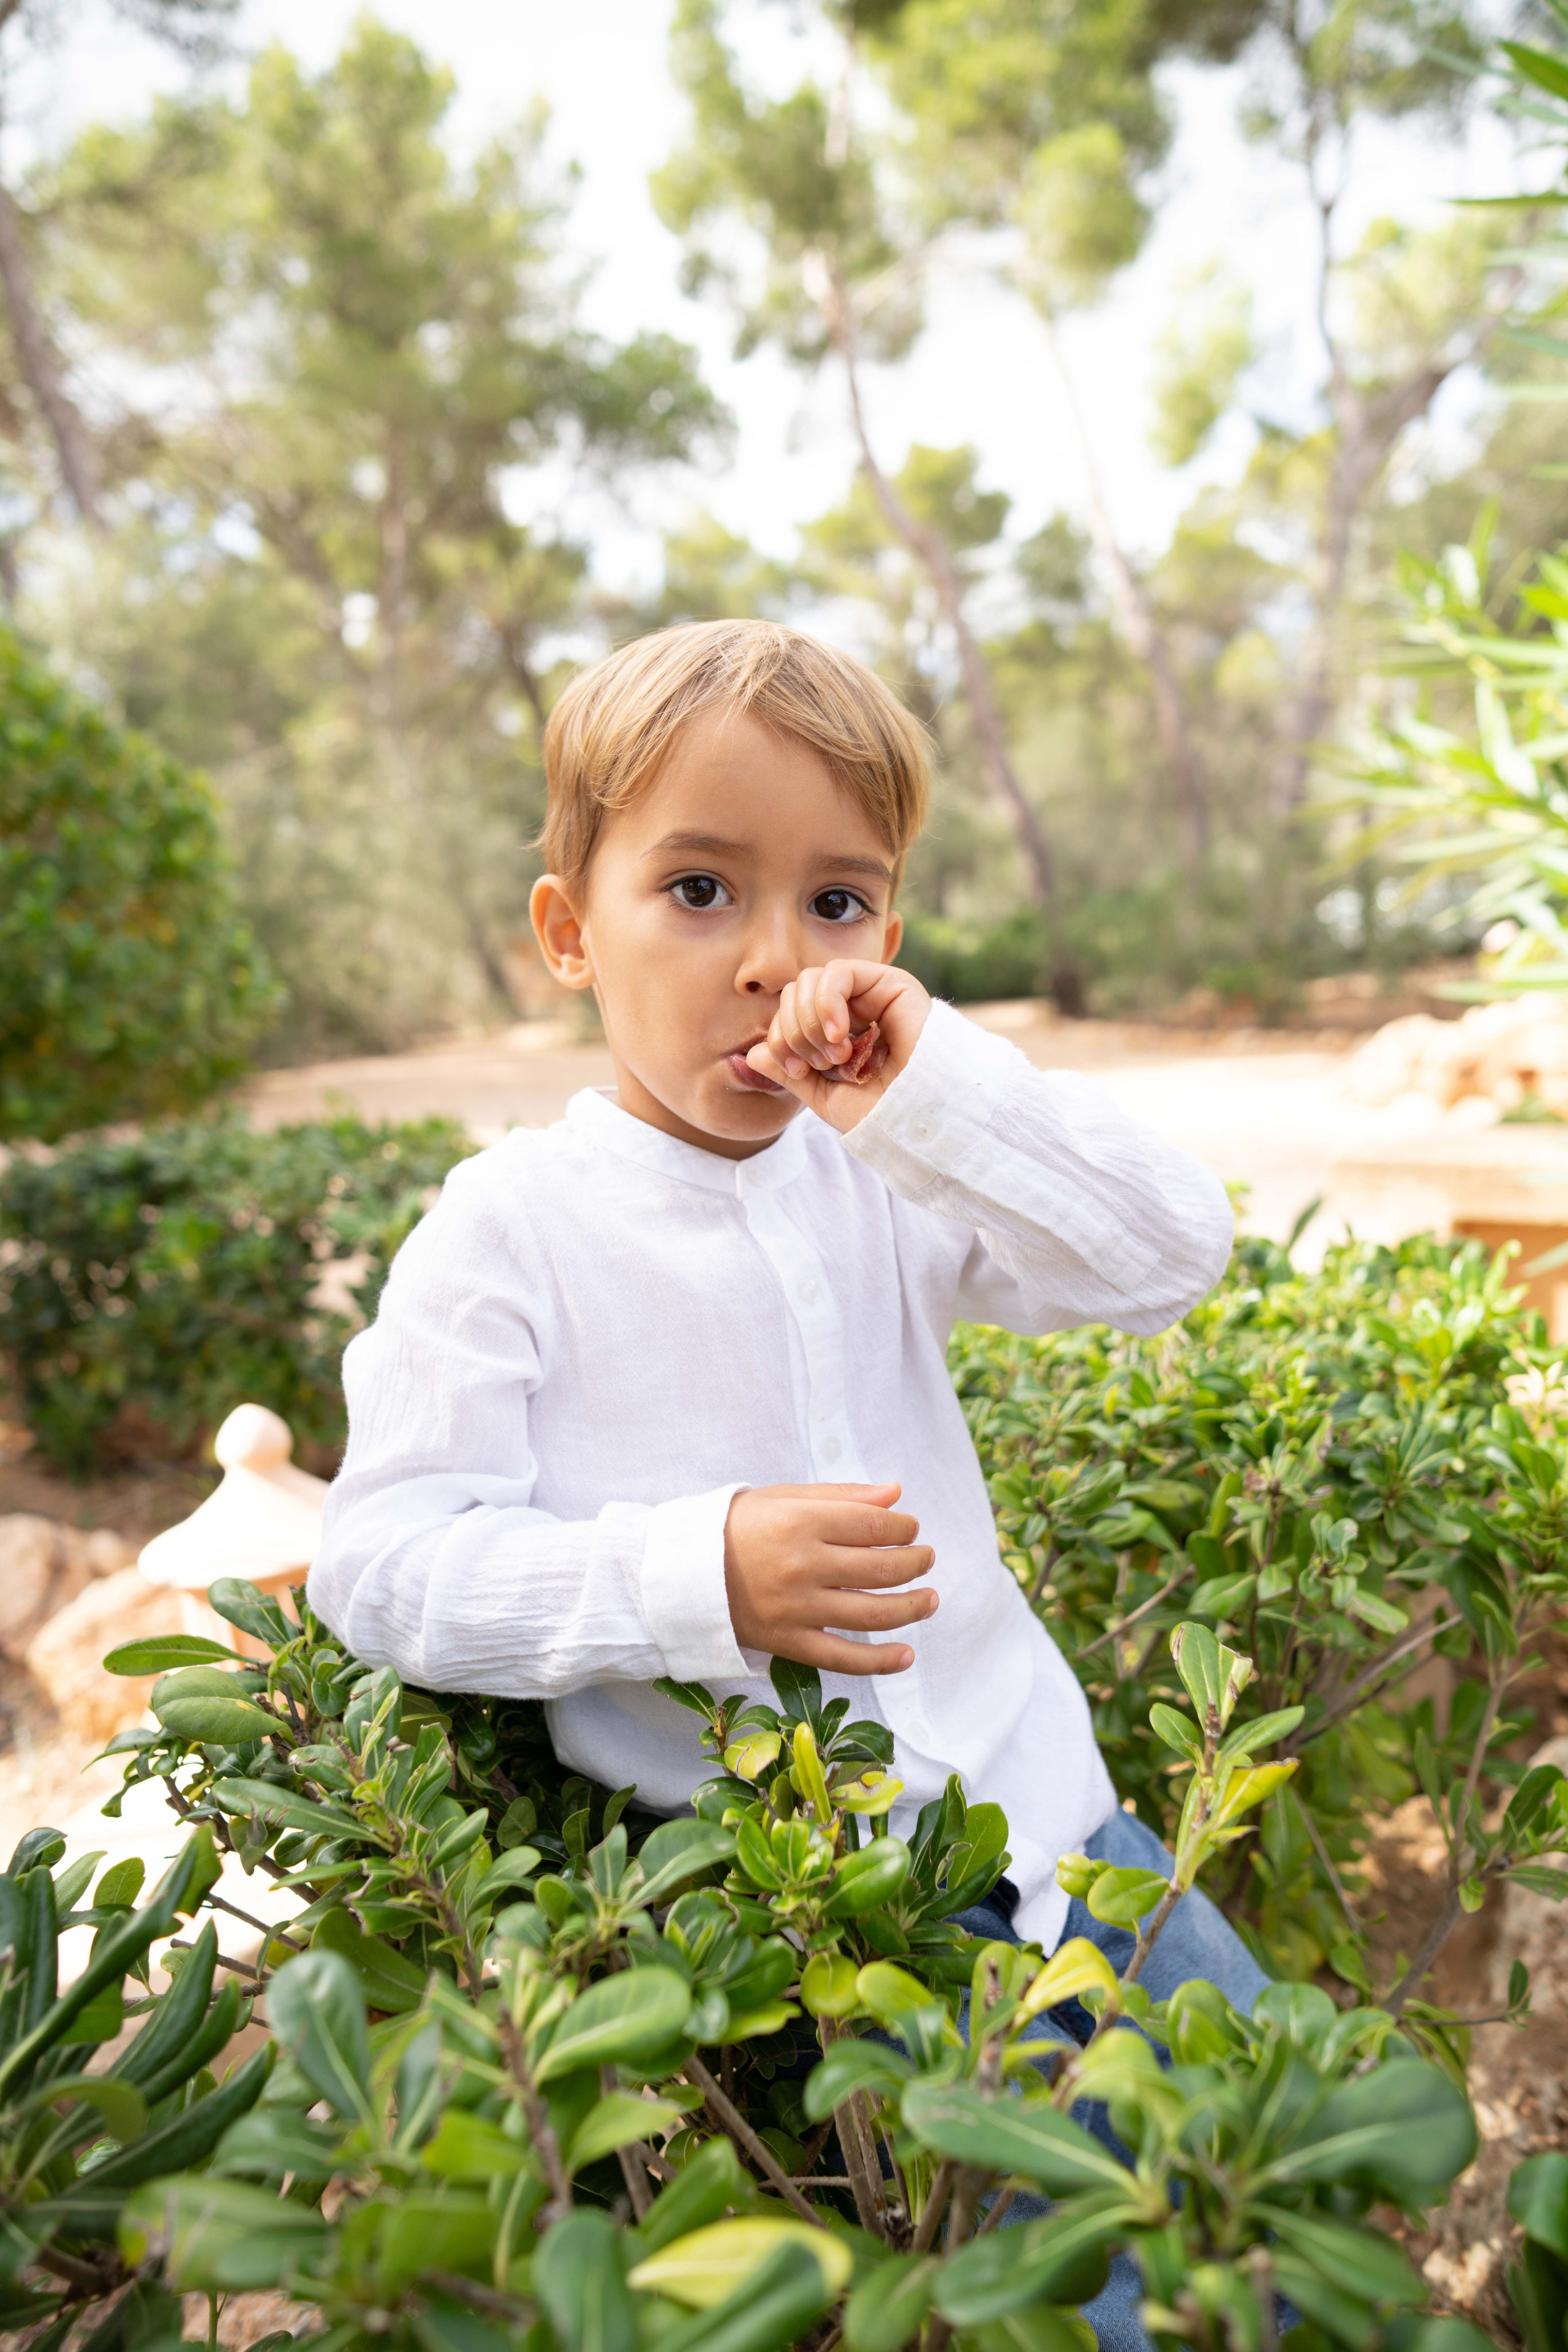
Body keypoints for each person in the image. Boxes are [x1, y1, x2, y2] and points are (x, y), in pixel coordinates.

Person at [307, 619, 1263, 2346]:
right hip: (846, 1928)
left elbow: (1169, 1256)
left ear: (888, 936)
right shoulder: (511, 1227)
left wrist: (932, 1095)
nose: (773, 958)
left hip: (1085, 1837)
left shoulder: (881, 1169)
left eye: (837, 903)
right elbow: (379, 1565)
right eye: (697, 889)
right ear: (565, 934)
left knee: (1286, 2203)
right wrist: (697, 1577)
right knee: (1092, 2305)